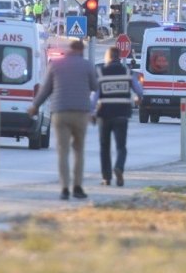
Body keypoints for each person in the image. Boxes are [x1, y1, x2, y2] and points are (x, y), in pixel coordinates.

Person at [27, 39, 97, 200]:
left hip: (60, 112)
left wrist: (35, 106)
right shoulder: (87, 65)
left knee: (63, 151)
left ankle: (65, 188)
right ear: (81, 51)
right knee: (79, 150)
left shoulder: (56, 65)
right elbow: (95, 86)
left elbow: (45, 90)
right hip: (80, 113)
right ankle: (77, 187)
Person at [91, 47, 143, 186]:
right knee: (121, 146)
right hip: (121, 114)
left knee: (104, 147)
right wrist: (138, 98)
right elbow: (139, 90)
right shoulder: (127, 72)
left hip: (105, 114)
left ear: (109, 57)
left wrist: (92, 113)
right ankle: (119, 167)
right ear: (118, 57)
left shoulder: (101, 73)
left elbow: (95, 96)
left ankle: (106, 178)